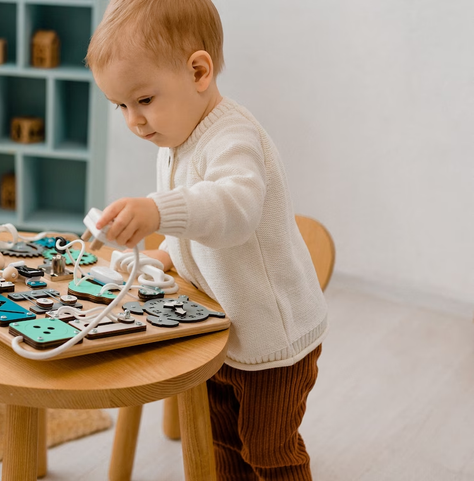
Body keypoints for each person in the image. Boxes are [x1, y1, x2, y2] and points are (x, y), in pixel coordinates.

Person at [86, 1, 328, 479]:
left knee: (270, 451)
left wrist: (157, 211)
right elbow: (200, 229)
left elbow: (231, 210)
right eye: (122, 106)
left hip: (272, 342)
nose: (134, 120)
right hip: (219, 331)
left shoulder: (232, 137)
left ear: (199, 71)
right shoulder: (176, 137)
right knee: (221, 442)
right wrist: (168, 253)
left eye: (145, 100)